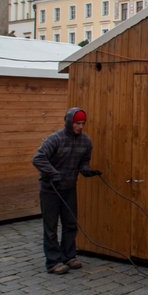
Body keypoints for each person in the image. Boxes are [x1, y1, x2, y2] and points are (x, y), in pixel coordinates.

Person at [32, 107, 101, 274]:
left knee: (70, 223)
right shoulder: (55, 139)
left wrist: (86, 171)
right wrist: (53, 173)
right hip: (50, 189)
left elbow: (83, 162)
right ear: (69, 122)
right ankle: (53, 262)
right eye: (77, 123)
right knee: (51, 226)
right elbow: (38, 158)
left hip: (69, 188)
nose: (80, 126)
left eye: (83, 123)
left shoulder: (86, 142)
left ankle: (69, 256)